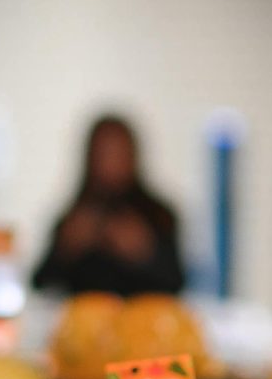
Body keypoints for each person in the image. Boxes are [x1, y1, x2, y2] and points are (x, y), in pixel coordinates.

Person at [31, 114, 187, 297]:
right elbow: (40, 284)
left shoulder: (159, 216)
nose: (110, 163)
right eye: (104, 153)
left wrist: (145, 253)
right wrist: (65, 250)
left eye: (117, 153)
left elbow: (177, 284)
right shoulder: (72, 219)